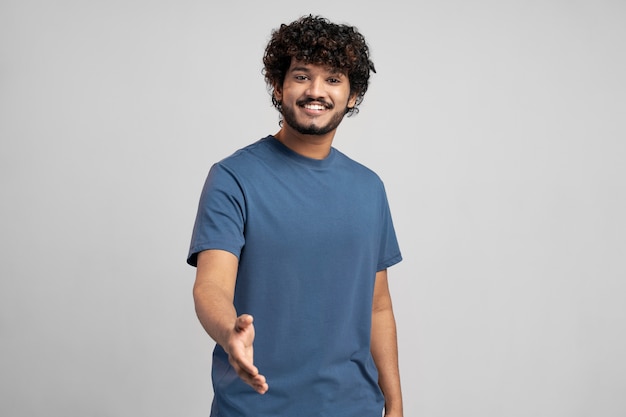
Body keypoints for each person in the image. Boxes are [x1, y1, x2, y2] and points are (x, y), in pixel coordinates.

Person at [188, 15, 403, 417]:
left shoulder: (369, 188)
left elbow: (378, 307)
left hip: (353, 408)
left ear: (352, 96)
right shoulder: (233, 178)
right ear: (278, 86)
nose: (316, 91)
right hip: (255, 407)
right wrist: (229, 334)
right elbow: (211, 286)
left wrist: (395, 404)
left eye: (333, 79)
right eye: (302, 76)